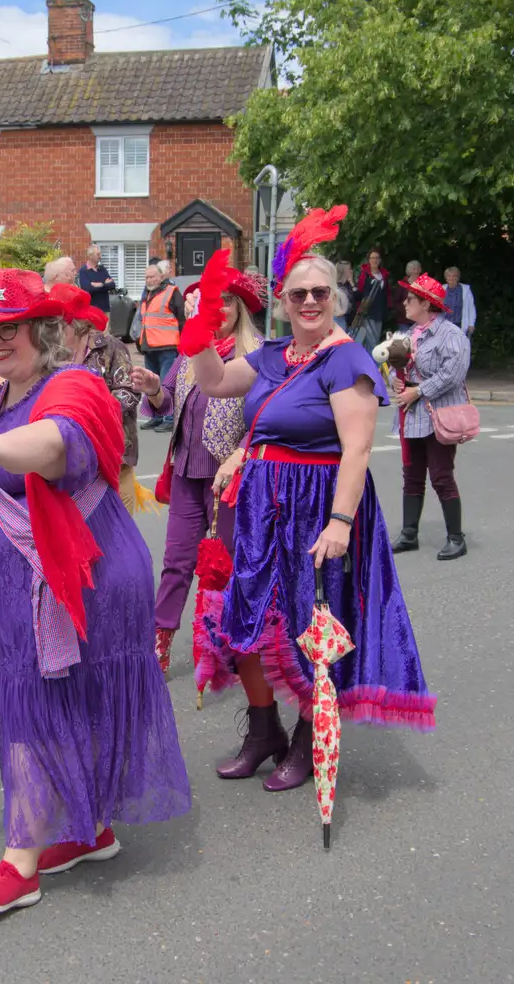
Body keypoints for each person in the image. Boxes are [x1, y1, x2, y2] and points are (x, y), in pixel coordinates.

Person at [0, 267, 190, 915]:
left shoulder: (75, 386)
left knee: (38, 710)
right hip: (11, 588)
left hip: (80, 583)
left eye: (9, 327)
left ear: (44, 329)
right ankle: (87, 830)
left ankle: (21, 861)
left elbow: (55, 446)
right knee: (57, 703)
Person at [186, 210, 434, 795]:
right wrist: (198, 330)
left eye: (320, 291)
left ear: (336, 298)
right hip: (260, 508)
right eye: (298, 293)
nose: (309, 301)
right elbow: (215, 382)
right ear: (282, 301)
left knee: (308, 623)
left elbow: (358, 448)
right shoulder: (273, 355)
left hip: (319, 506)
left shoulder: (347, 360)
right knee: (246, 616)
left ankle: (305, 735)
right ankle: (263, 730)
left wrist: (341, 522)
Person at [130, 263, 262, 673]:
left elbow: (265, 419)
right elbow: (166, 400)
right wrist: (153, 389)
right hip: (187, 472)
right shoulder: (192, 347)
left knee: (222, 566)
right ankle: (160, 641)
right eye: (211, 303)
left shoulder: (258, 352)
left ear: (239, 308)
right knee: (177, 562)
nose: (218, 310)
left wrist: (240, 453)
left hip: (230, 480)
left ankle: (223, 645)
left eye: (225, 303)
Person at [389, 274, 474, 559]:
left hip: (438, 413)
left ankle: (456, 538)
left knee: (440, 476)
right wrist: (396, 382)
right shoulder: (407, 333)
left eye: (411, 299)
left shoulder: (451, 335)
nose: (406, 302)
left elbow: (453, 374)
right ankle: (409, 534)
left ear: (426, 303)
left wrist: (418, 391)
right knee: (411, 475)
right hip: (411, 413)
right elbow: (394, 366)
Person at [46, 282, 145, 513]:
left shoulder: (109, 347)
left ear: (74, 323)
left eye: (55, 322)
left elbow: (128, 392)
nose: (49, 330)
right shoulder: (49, 353)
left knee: (118, 537)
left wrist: (90, 415)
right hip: (71, 462)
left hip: (113, 458)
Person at [136, 263, 185, 431]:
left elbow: (181, 318)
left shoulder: (172, 292)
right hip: (150, 346)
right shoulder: (147, 294)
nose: (148, 280)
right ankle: (156, 417)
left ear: (160, 277)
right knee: (151, 384)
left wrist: (184, 342)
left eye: (152, 277)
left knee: (166, 384)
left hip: (167, 345)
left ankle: (169, 418)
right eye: (146, 277)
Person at [352, 249, 389, 350]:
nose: (374, 260)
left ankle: (371, 362)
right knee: (371, 341)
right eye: (372, 258)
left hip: (379, 312)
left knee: (375, 339)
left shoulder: (384, 275)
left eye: (377, 258)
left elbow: (386, 293)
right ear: (369, 260)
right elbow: (360, 292)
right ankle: (372, 363)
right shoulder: (365, 275)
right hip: (368, 312)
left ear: (380, 260)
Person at [77, 245, 115, 315]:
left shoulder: (102, 269)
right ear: (90, 256)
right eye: (98, 254)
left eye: (100, 254)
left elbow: (112, 285)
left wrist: (100, 284)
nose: (100, 256)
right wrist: (105, 284)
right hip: (91, 310)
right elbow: (88, 289)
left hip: (105, 309)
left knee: (106, 326)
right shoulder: (83, 270)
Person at [443, 266, 477, 340]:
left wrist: (471, 324)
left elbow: (471, 308)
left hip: (459, 324)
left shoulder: (465, 290)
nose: (451, 278)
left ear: (458, 277)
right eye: (449, 276)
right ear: (446, 278)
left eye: (454, 276)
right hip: (444, 325)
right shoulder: (442, 289)